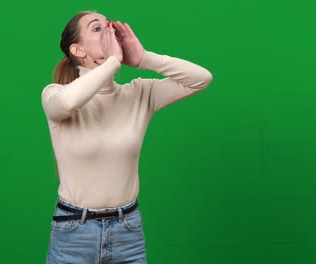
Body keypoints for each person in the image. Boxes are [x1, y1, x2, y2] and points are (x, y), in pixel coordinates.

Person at [41, 10, 213, 264]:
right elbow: (67, 103)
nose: (108, 31)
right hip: (74, 232)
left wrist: (143, 58)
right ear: (78, 50)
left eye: (108, 25)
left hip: (127, 232)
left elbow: (201, 79)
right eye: (96, 28)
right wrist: (113, 62)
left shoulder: (139, 93)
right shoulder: (55, 93)